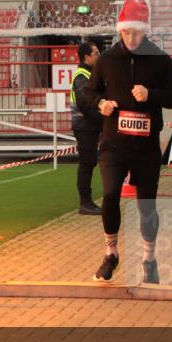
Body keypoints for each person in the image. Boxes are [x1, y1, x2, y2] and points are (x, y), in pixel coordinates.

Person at [82, 0, 172, 284]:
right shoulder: (105, 60)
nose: (131, 38)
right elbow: (88, 94)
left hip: (145, 146)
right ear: (120, 31)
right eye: (127, 32)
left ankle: (149, 259)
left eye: (137, 33)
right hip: (113, 143)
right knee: (110, 195)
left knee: (147, 206)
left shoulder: (160, 60)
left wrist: (152, 94)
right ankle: (111, 254)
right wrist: (100, 103)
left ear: (146, 32)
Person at [71, 41, 104, 215]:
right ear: (87, 57)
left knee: (90, 162)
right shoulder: (82, 76)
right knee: (87, 163)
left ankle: (88, 201)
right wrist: (102, 120)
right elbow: (86, 105)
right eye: (96, 53)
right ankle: (85, 202)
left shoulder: (90, 74)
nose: (99, 55)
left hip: (89, 125)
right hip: (84, 126)